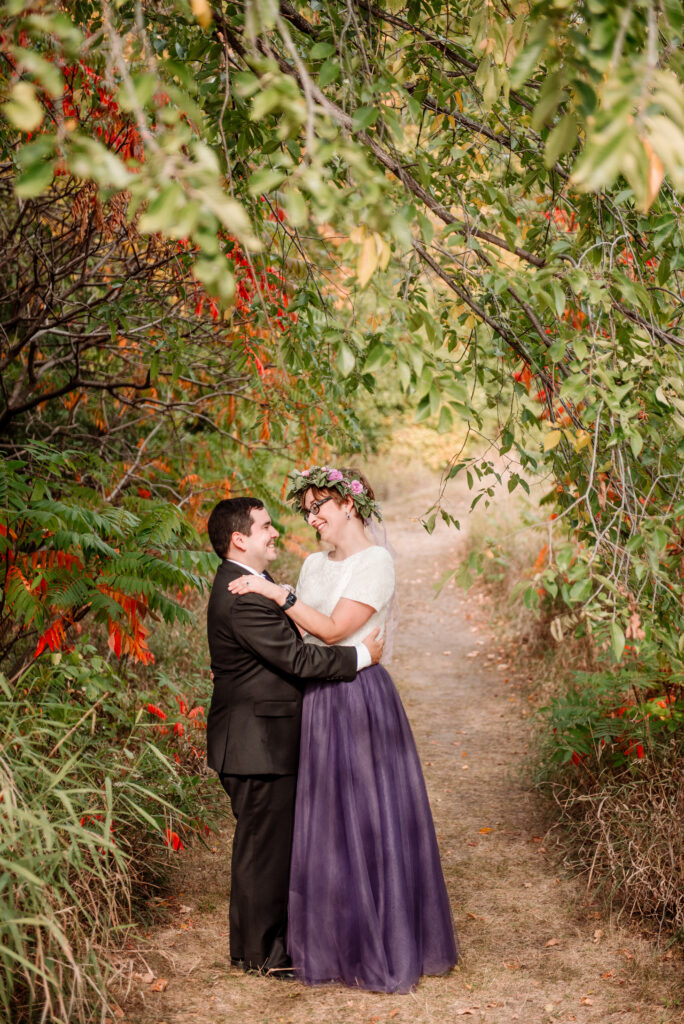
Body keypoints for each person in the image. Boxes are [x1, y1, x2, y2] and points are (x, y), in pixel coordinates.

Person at [228, 467, 459, 993]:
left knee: (368, 816)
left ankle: (380, 935)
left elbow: (332, 629)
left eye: (319, 507)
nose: (312, 518)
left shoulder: (376, 562)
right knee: (325, 821)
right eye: (306, 510)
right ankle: (329, 939)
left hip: (358, 698)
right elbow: (299, 635)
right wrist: (280, 605)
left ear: (349, 505)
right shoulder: (311, 563)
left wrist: (275, 593)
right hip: (315, 697)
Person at [206, 496, 384, 980]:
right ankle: (261, 954)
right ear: (239, 538)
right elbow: (298, 659)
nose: (275, 532)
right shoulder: (242, 594)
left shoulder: (251, 584)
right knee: (262, 851)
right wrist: (361, 658)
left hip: (257, 738)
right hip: (256, 742)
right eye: (265, 526)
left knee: (260, 846)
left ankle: (258, 948)